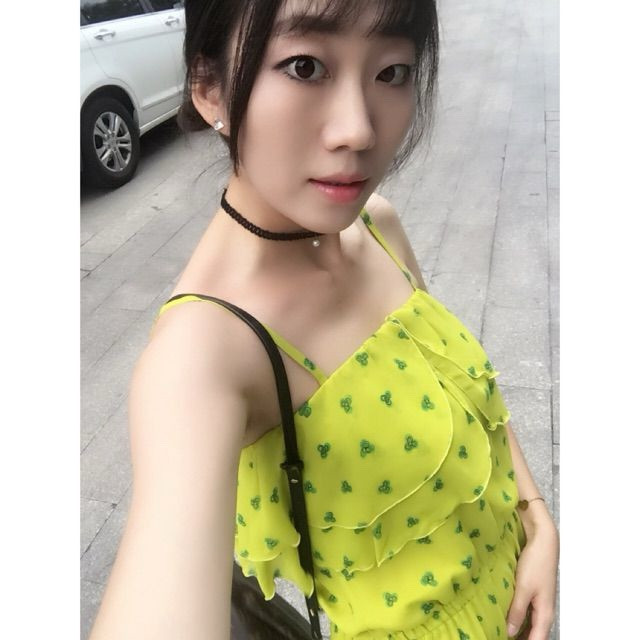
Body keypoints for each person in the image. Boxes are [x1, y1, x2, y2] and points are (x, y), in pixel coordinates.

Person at [88, 0, 559, 638]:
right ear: (209, 88)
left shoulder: (377, 226)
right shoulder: (205, 351)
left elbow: (471, 398)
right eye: (305, 66)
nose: (358, 130)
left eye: (392, 72)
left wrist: (536, 518)